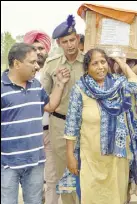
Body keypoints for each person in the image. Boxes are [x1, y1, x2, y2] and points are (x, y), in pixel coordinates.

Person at [56, 48, 137, 204]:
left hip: (117, 158)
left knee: (116, 197)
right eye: (94, 63)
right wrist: (70, 156)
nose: (100, 67)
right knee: (91, 196)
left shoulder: (119, 84)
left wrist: (122, 63)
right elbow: (71, 125)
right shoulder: (80, 89)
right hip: (90, 157)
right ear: (87, 68)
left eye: (103, 62)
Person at [1, 43, 70, 204]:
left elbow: (51, 106)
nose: (37, 67)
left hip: (35, 162)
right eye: (32, 62)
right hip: (8, 165)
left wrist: (60, 84)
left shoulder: (35, 86)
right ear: (17, 64)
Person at [41, 15, 84, 204]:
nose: (69, 45)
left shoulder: (90, 62)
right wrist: (59, 82)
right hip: (60, 125)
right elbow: (43, 101)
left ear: (78, 39)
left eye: (72, 40)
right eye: (65, 41)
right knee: (65, 172)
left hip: (86, 125)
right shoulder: (52, 65)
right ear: (59, 43)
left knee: (87, 171)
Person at [24, 30, 59, 204]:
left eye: (41, 48)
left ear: (47, 49)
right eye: (34, 48)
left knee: (52, 178)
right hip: (29, 135)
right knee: (32, 180)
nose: (38, 52)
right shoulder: (21, 74)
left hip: (51, 132)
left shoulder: (53, 70)